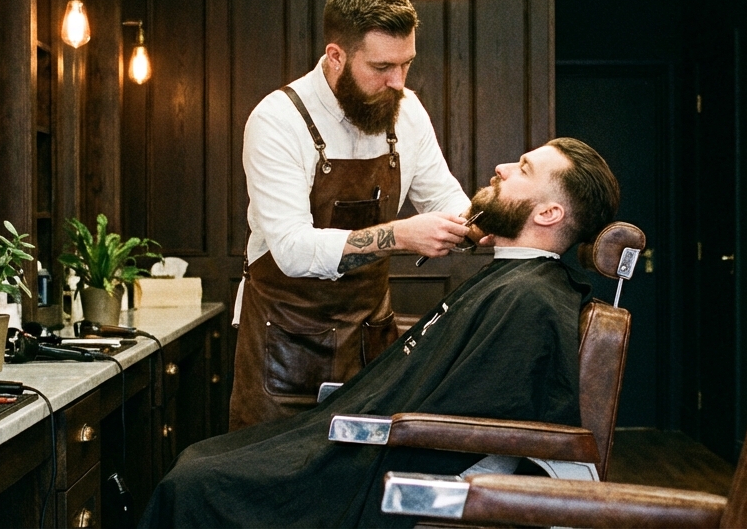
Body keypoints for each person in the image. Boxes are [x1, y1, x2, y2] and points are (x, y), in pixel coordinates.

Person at [143, 138, 622, 529]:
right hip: (370, 443)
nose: (500, 167)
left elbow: (481, 426)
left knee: (196, 483)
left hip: (395, 467)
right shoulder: (517, 282)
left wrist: (375, 424)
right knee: (201, 463)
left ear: (548, 215)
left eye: (521, 168)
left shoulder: (529, 300)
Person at [233, 0, 477, 429]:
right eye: (382, 67)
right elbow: (291, 248)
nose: (398, 82)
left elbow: (444, 197)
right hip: (285, 345)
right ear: (336, 56)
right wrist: (400, 235)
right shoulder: (278, 119)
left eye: (406, 64)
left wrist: (492, 218)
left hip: (371, 339)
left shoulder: (407, 110)